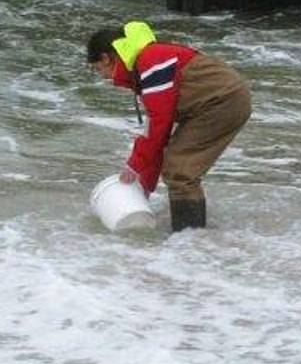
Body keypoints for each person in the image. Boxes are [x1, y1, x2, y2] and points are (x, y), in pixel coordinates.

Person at [87, 20, 251, 231]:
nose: (103, 77)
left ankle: (188, 243)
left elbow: (159, 122)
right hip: (215, 103)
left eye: (98, 69)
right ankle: (189, 240)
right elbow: (158, 134)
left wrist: (134, 164)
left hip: (222, 101)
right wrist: (144, 185)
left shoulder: (150, 62)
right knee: (177, 166)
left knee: (180, 171)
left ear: (106, 58)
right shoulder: (145, 64)